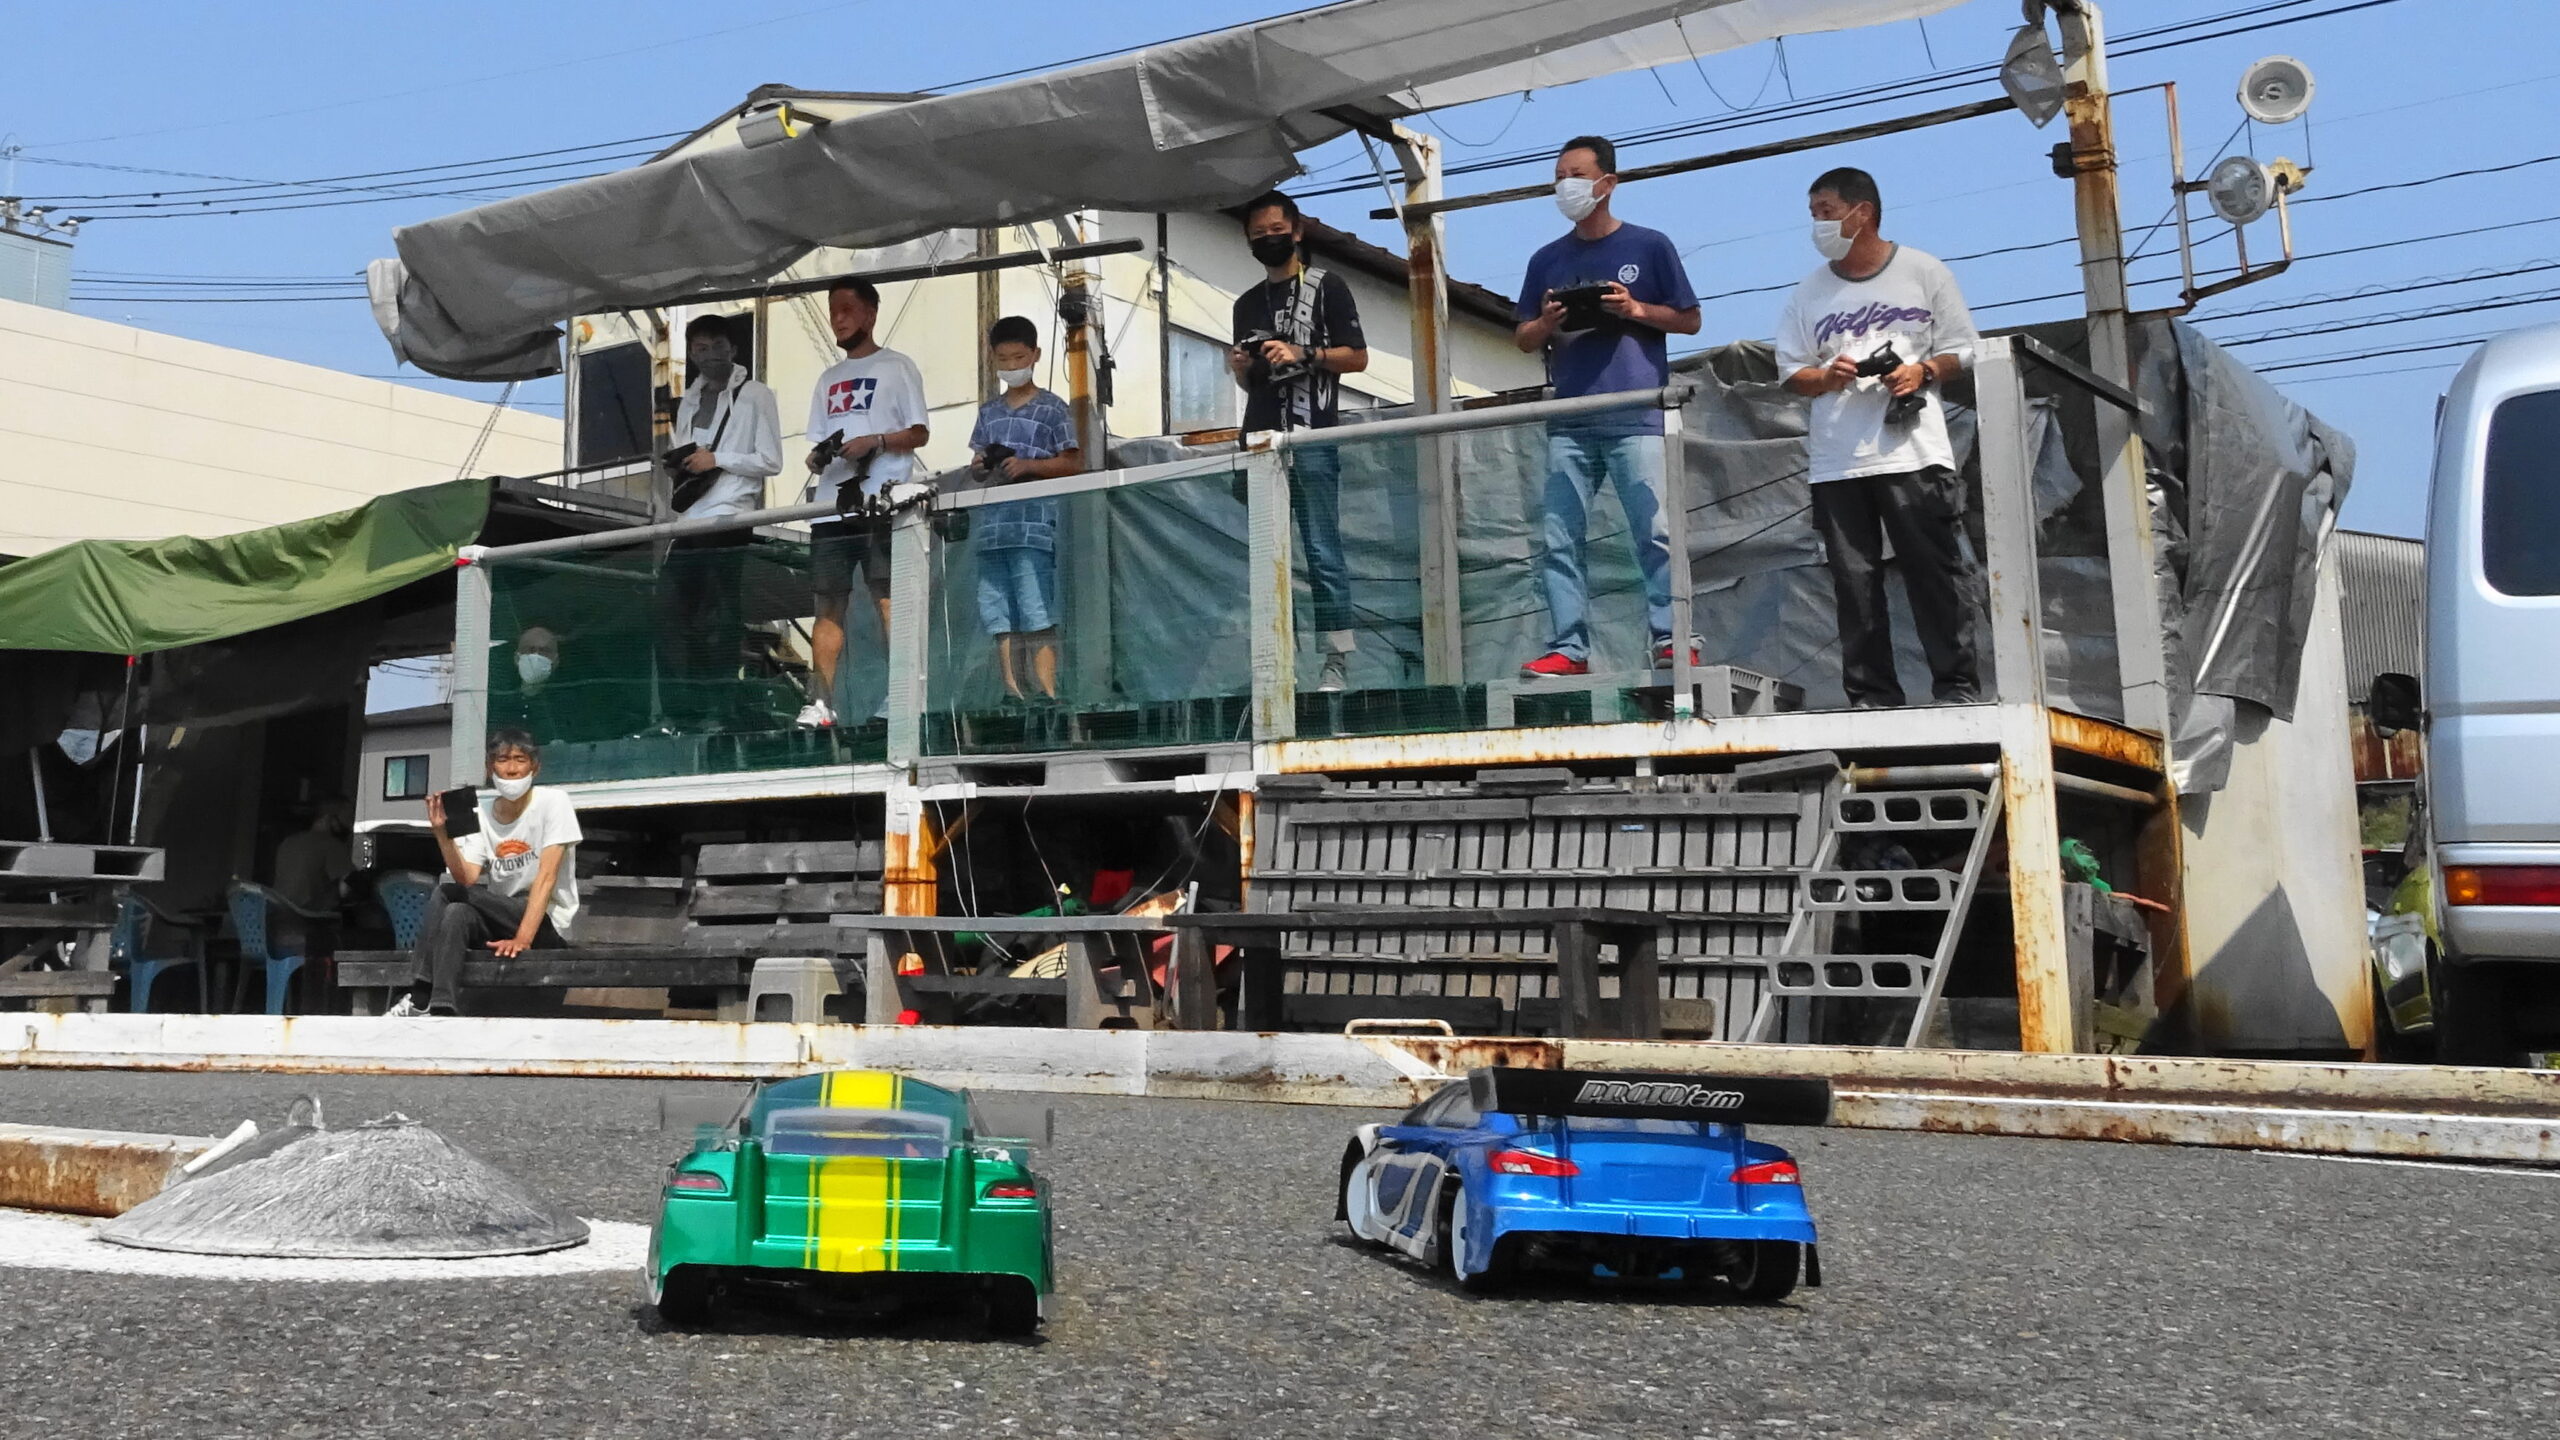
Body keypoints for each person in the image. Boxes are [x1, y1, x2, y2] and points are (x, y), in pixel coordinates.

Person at [1777, 166, 1983, 709]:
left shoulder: (1922, 271)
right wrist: (1828, 377)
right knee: (1854, 583)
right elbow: (1791, 372)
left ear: (1861, 211)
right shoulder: (1808, 292)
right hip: (1839, 460)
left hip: (1914, 451)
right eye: (1814, 214)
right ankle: (1872, 697)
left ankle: (1956, 690)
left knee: (1935, 572)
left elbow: (1965, 349)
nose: (1818, 224)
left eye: (1826, 211)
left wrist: (1922, 371)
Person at [1514, 135, 1701, 679]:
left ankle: (1672, 638)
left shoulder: (1649, 246)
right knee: (1558, 537)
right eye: (1558, 177)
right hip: (1569, 418)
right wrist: (1548, 322)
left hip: (1636, 411)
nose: (1564, 187)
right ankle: (1568, 648)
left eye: (1575, 176)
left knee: (1656, 531)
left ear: (1607, 183)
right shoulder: (1545, 259)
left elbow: (1690, 319)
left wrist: (1634, 308)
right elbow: (1523, 338)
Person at [1230, 190, 1369, 694]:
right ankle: (1274, 661)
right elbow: (1253, 383)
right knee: (1267, 556)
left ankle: (1336, 659)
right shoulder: (1246, 303)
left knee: (1322, 550)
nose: (1268, 239)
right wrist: (1242, 368)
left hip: (1312, 435)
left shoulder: (1326, 286)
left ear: (1296, 231)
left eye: (1276, 230)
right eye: (1258, 234)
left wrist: (1303, 353)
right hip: (1260, 440)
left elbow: (1358, 358)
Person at [799, 279, 931, 727]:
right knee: (827, 603)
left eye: (847, 309)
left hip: (882, 501)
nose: (838, 318)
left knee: (888, 598)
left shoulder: (898, 366)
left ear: (871, 314)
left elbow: (919, 433)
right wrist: (819, 457)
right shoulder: (826, 379)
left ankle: (902, 697)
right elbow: (817, 443)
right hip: (830, 505)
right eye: (833, 310)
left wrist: (875, 441)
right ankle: (821, 702)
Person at [401, 729, 582, 1016]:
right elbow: (467, 878)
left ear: (535, 767)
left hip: (545, 921)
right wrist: (442, 835)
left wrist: (523, 939)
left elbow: (546, 878)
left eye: (520, 760)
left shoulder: (554, 802)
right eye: (502, 760)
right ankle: (441, 1007)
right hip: (500, 917)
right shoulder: (479, 812)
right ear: (489, 768)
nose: (511, 769)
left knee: (447, 892)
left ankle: (419, 989)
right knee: (456, 912)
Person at [662, 314, 782, 730]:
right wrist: (680, 465)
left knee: (718, 613)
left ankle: (720, 705)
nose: (709, 355)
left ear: (733, 349)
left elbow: (771, 461)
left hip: (730, 513)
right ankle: (683, 710)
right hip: (689, 518)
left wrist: (718, 459)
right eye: (700, 348)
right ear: (692, 354)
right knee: (672, 612)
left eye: (717, 346)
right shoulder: (689, 400)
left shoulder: (756, 395)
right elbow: (689, 455)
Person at [968, 315, 1082, 701]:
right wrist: (981, 466)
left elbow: (1073, 462)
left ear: (1035, 355)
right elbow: (977, 469)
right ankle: (1013, 691)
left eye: (1018, 358)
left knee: (1036, 609)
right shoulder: (988, 412)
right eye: (1003, 359)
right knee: (998, 613)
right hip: (992, 527)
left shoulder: (1053, 409)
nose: (1012, 366)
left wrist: (1029, 465)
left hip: (1033, 526)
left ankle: (1048, 692)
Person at [272, 800, 352, 914]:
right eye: (347, 819)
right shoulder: (331, 844)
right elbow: (348, 885)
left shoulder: (288, 842)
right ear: (329, 818)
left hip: (277, 913)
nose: (350, 826)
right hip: (307, 917)